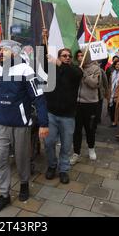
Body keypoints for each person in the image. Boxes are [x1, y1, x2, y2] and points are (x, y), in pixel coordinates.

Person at [0, 40, 49, 214]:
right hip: (1, 123)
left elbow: (39, 97)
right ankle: (4, 194)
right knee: (0, 158)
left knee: (22, 158)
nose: (0, 52)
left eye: (4, 50)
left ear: (14, 52)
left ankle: (24, 184)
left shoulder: (26, 70)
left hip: (21, 123)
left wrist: (44, 123)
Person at [44, 49, 82, 184]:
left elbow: (76, 73)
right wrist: (44, 42)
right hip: (51, 114)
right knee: (49, 142)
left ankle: (64, 169)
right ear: (58, 56)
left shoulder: (75, 70)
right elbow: (43, 59)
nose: (67, 58)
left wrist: (60, 63)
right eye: (64, 56)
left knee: (66, 145)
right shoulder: (52, 70)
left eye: (69, 56)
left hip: (68, 116)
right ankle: (52, 165)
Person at [71, 50, 101, 165]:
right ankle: (76, 152)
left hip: (91, 103)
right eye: (78, 55)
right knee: (76, 130)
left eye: (82, 55)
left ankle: (91, 148)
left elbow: (94, 84)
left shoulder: (95, 68)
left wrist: (83, 73)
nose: (80, 57)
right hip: (77, 104)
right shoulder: (75, 67)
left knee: (90, 128)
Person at [107, 60, 119, 128]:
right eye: (116, 64)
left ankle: (116, 122)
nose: (117, 65)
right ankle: (113, 121)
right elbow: (110, 83)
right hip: (112, 93)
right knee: (111, 108)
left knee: (118, 109)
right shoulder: (112, 73)